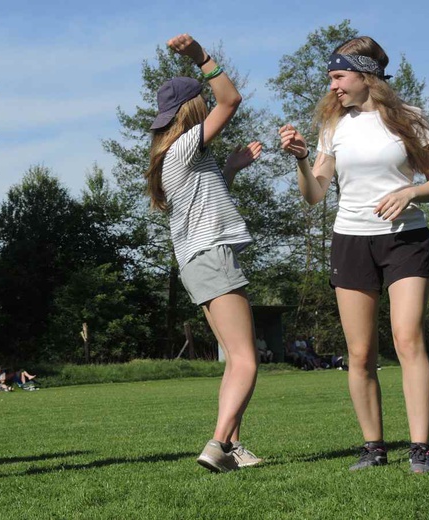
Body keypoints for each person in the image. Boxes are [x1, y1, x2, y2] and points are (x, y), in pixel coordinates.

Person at [279, 36, 429, 474]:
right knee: (359, 354)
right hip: (351, 240)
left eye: (338, 76)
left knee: (408, 339)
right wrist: (300, 160)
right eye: (331, 77)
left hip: (405, 239)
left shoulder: (410, 120)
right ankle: (373, 447)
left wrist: (411, 191)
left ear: (365, 75)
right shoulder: (333, 127)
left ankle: (420, 449)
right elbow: (315, 195)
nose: (332, 85)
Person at [146, 34, 263, 472]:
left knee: (234, 358)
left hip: (197, 261)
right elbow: (230, 100)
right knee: (248, 360)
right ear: (193, 109)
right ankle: (217, 445)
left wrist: (230, 169)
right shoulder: (186, 145)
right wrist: (202, 58)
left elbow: (204, 204)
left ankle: (232, 448)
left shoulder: (176, 155)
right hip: (212, 256)